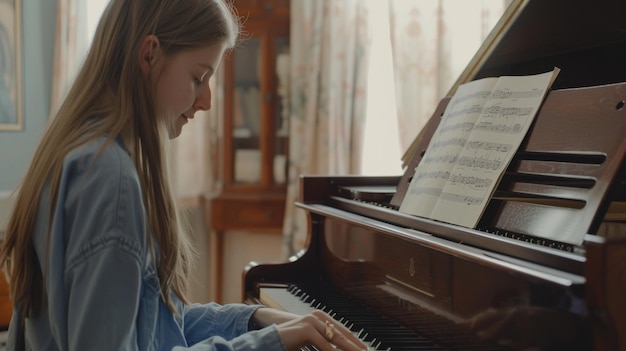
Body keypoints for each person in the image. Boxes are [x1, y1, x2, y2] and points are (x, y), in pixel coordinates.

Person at [0, 1, 368, 350]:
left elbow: (154, 326)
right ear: (149, 55)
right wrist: (270, 343)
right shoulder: (111, 182)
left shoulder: (80, 157)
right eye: (198, 77)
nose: (206, 100)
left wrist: (256, 319)